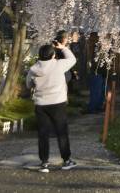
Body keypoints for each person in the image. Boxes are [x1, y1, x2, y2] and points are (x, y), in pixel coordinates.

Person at [26, 32, 79, 172]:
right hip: (58, 103)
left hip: (41, 104)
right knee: (61, 132)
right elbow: (73, 59)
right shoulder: (59, 65)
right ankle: (66, 160)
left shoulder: (33, 69)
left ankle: (44, 163)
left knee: (43, 134)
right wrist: (62, 47)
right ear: (53, 55)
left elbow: (28, 85)